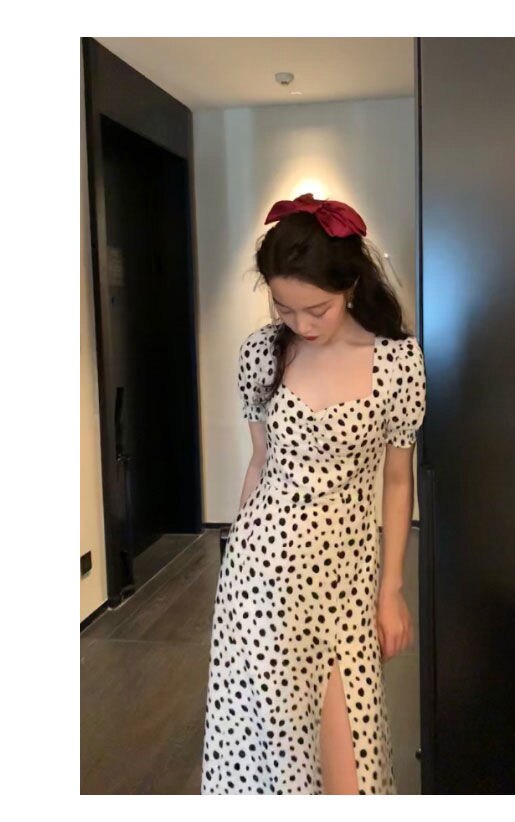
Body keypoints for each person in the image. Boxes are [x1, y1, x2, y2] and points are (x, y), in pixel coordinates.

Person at [200, 193, 427, 795]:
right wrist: (236, 562)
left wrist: (391, 589)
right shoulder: (261, 353)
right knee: (276, 753)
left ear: (350, 284)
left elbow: (398, 480)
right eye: (284, 306)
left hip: (347, 578)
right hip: (264, 580)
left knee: (349, 755)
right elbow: (260, 464)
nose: (300, 324)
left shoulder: (397, 362)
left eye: (316, 309)